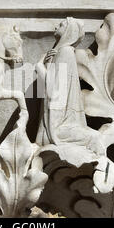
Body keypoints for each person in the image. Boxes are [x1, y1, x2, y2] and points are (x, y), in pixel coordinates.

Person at [35, 17, 105, 155]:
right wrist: (42, 65)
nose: (56, 27)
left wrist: (40, 65)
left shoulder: (65, 52)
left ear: (68, 31)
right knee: (95, 138)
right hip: (57, 127)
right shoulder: (62, 52)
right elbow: (52, 90)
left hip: (58, 125)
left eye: (61, 25)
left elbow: (52, 91)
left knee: (95, 137)